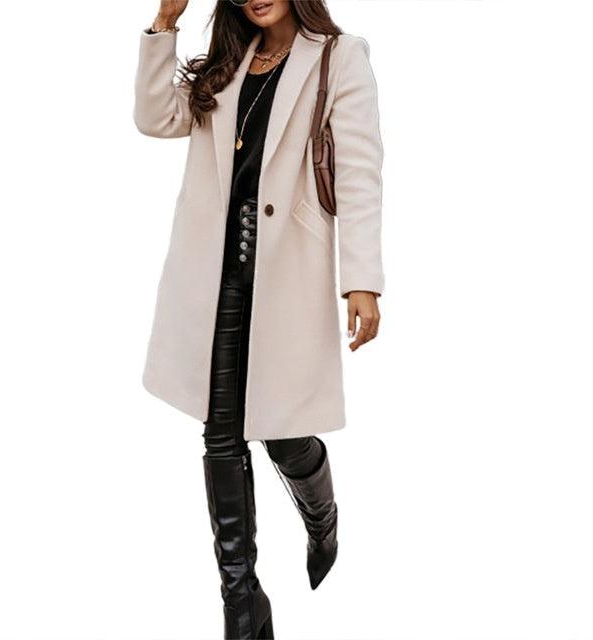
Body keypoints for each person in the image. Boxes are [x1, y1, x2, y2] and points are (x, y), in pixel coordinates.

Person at [133, 0, 384, 637]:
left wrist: (361, 279)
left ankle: (320, 515)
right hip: (213, 277)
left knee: (283, 434)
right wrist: (165, 23)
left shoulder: (339, 56)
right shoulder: (228, 61)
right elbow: (155, 118)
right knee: (220, 436)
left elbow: (359, 173)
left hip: (284, 273)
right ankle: (242, 606)